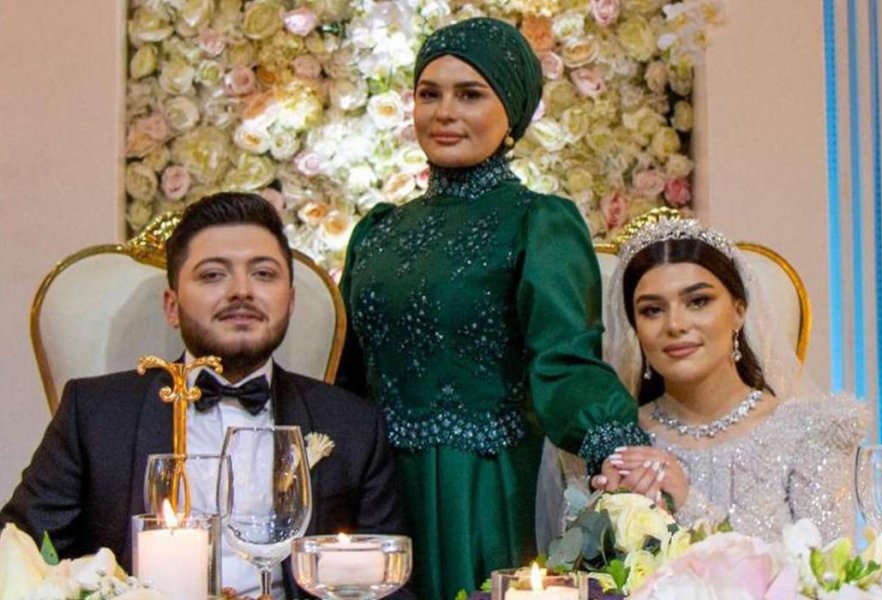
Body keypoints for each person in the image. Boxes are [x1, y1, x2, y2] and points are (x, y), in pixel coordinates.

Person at [338, 17, 645, 599]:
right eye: (429, 94)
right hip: (375, 491)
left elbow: (564, 362)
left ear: (512, 113)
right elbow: (349, 379)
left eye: (470, 94)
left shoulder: (538, 223)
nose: (444, 112)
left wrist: (616, 450)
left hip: (480, 490)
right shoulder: (376, 232)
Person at [1, 193, 408, 600]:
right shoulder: (95, 414)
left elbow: (390, 587)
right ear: (172, 306)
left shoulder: (353, 424)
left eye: (264, 274)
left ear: (291, 301)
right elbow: (16, 557)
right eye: (213, 275)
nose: (241, 291)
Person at [592, 217, 868, 542]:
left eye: (698, 302)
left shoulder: (810, 432)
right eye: (652, 310)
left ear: (739, 311)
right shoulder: (620, 444)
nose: (675, 324)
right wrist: (605, 515)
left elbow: (828, 570)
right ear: (635, 327)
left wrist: (686, 502)